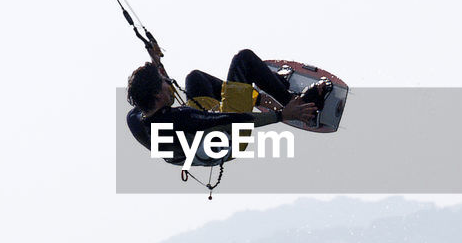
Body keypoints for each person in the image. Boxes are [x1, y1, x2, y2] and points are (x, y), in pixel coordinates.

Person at [125, 46, 330, 166]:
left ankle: (257, 95)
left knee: (195, 78)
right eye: (164, 83)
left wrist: (155, 62)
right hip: (227, 140)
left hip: (198, 141)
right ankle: (300, 107)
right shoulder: (180, 119)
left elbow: (149, 91)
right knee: (244, 60)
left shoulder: (136, 118)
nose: (169, 83)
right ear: (158, 96)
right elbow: (235, 120)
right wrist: (282, 115)